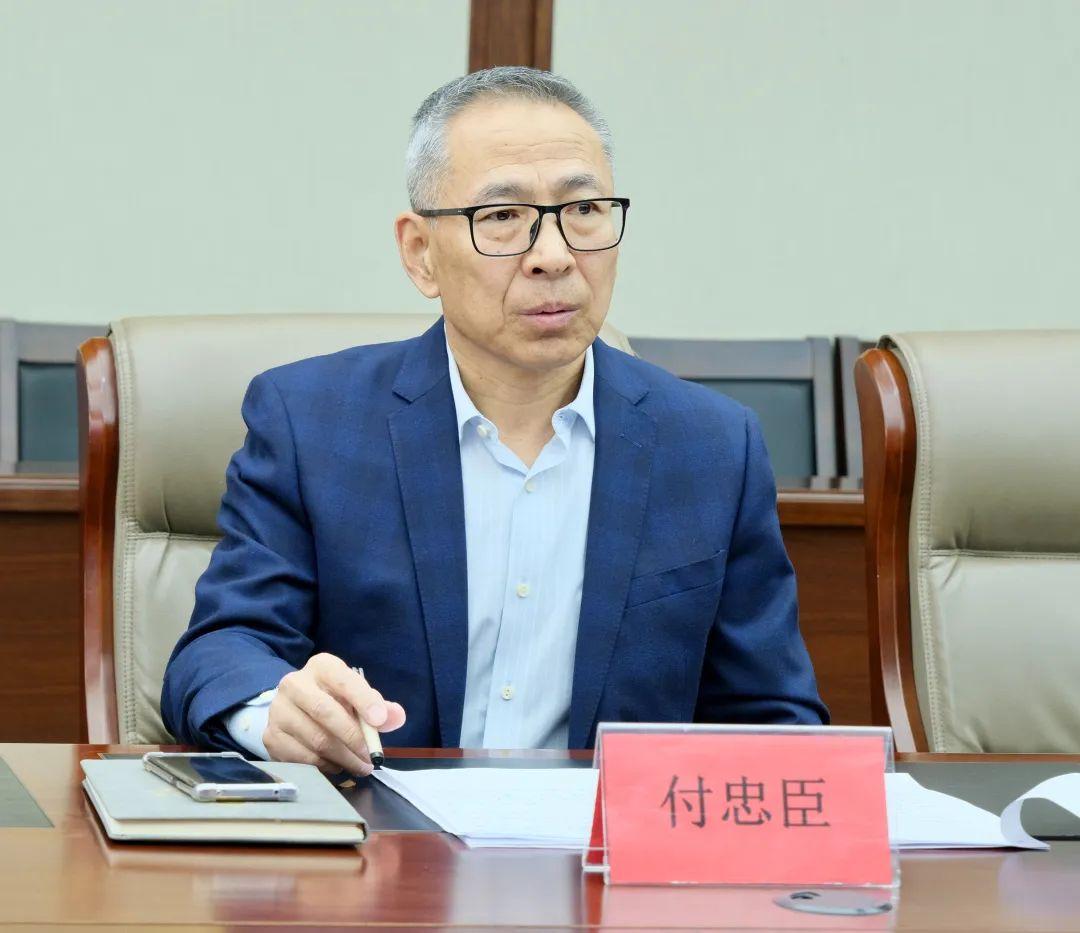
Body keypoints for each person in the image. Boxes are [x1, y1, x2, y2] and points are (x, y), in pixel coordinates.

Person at [161, 66, 827, 777]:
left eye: (584, 209)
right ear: (420, 253)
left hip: (601, 844)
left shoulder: (712, 446)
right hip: (383, 834)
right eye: (502, 217)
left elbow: (773, 718)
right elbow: (220, 650)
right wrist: (278, 714)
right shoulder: (311, 424)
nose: (554, 256)